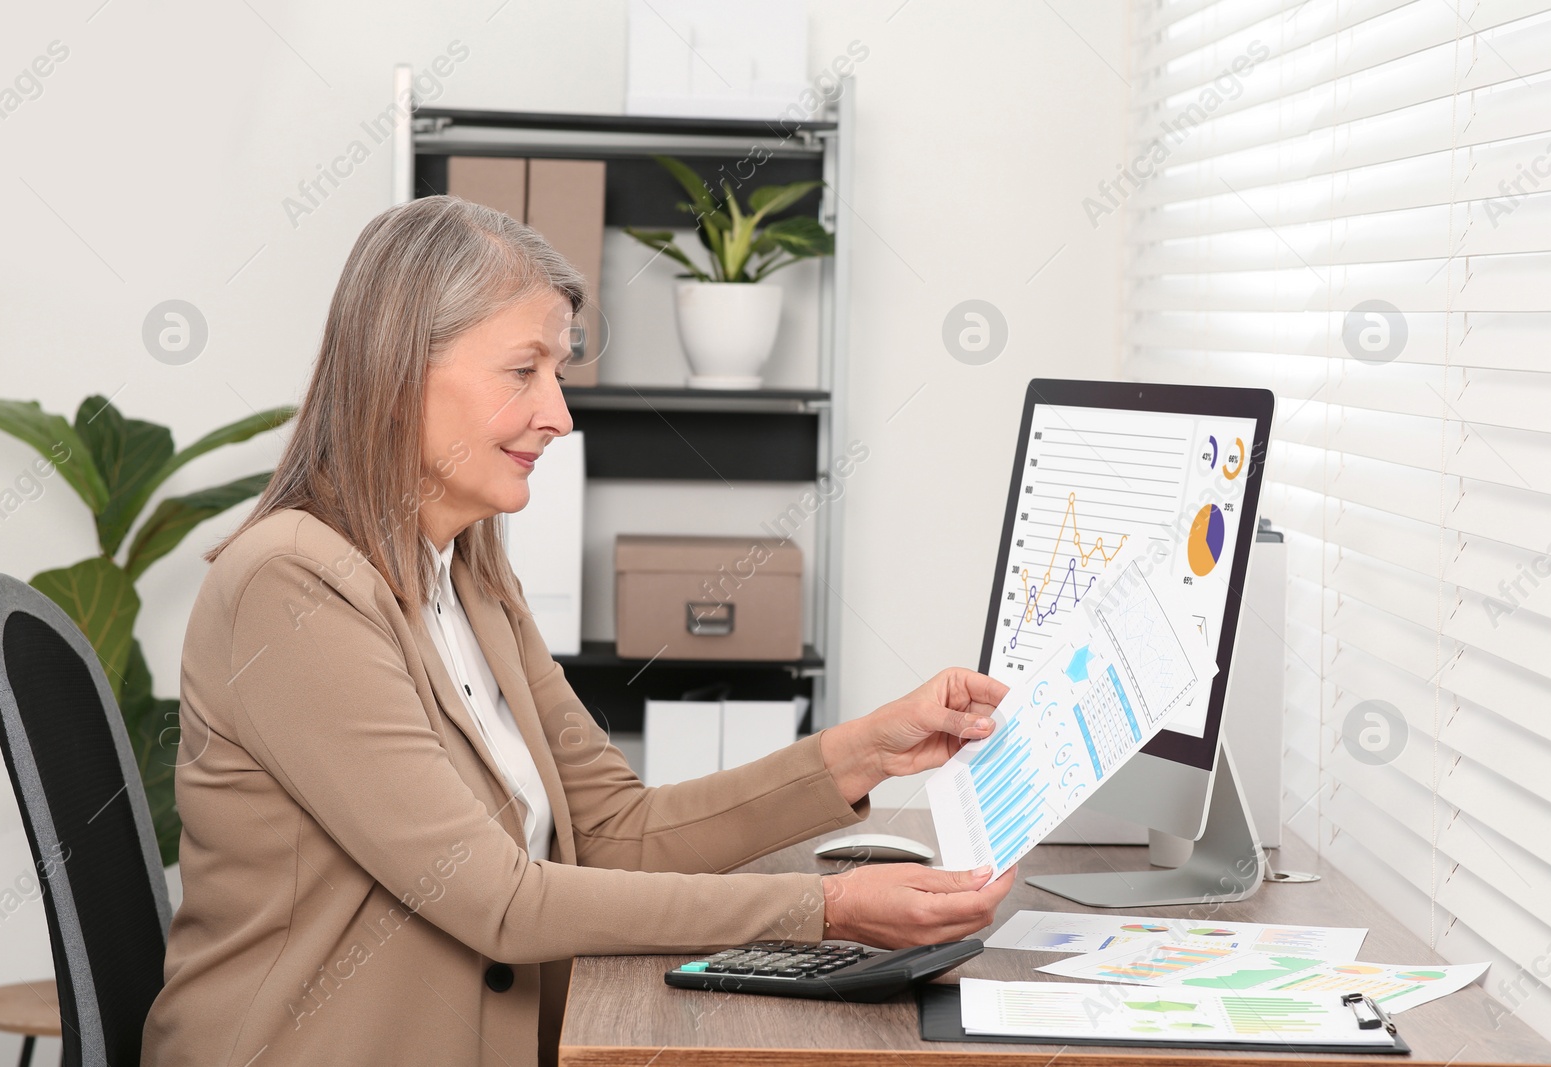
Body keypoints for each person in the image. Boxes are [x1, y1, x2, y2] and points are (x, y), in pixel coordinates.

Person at [139, 195, 1014, 1067]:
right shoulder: (293, 587)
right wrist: (827, 909)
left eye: (556, 374)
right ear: (398, 371)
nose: (558, 414)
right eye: (523, 371)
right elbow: (498, 900)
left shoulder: (468, 569)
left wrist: (865, 751)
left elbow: (615, 829)